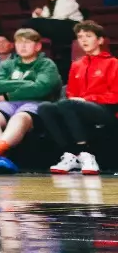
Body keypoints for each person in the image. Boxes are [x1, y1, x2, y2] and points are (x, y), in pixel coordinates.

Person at [37, 20, 118, 174]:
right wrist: (77, 100)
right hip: (77, 106)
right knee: (45, 108)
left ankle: (86, 154)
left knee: (68, 104)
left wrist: (88, 99)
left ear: (100, 40)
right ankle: (71, 154)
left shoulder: (113, 63)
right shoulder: (77, 65)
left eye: (88, 36)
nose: (84, 40)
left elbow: (115, 95)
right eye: (80, 37)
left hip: (105, 110)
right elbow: (71, 93)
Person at [0, 27, 62, 172]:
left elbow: (41, 88)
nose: (23, 46)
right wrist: (28, 84)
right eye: (19, 42)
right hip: (9, 104)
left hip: (37, 103)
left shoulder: (46, 64)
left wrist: (9, 93)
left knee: (19, 117)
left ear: (38, 46)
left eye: (28, 42)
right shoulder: (7, 64)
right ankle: (1, 158)